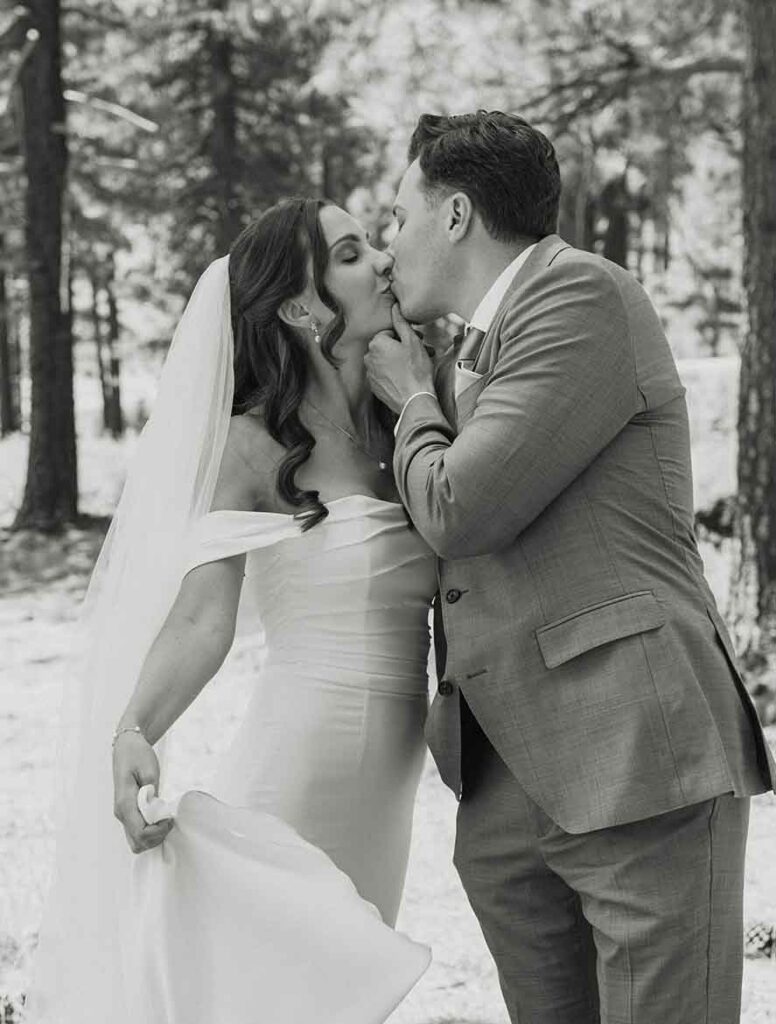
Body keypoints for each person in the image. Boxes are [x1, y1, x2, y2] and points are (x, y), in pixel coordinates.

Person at [365, 110, 776, 1024]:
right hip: (511, 775)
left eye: (398, 218)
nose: (388, 250)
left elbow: (459, 506)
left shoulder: (579, 295)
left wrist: (404, 402)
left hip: (634, 752)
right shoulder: (469, 342)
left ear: (458, 214)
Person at [25, 198, 431, 1024]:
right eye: (352, 253)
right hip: (304, 755)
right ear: (296, 305)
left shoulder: (406, 421)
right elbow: (202, 620)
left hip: (393, 775)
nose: (385, 261)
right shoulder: (251, 446)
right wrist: (132, 729)